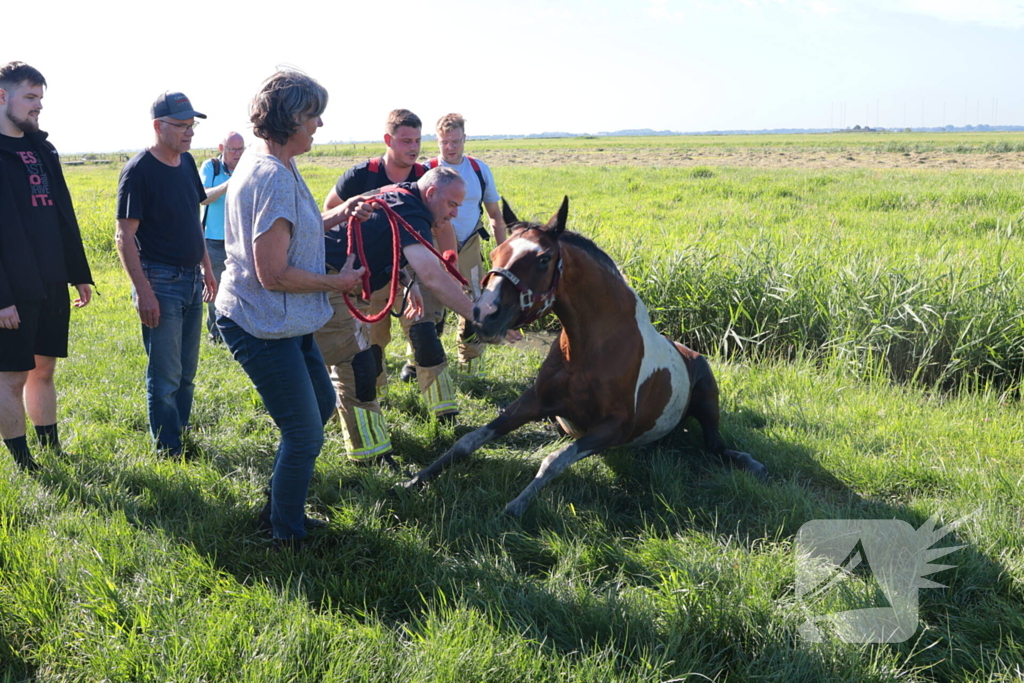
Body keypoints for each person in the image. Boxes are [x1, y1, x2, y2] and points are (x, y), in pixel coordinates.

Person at [214, 70, 367, 548]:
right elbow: (273, 273)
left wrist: (336, 215)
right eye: (313, 115)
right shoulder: (271, 175)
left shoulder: (270, 163)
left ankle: (280, 507)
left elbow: (284, 232)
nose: (319, 124)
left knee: (319, 406)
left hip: (286, 319)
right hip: (261, 323)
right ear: (290, 118)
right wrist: (337, 282)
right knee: (304, 433)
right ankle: (286, 534)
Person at [316, 166, 486, 465]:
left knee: (341, 364)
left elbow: (387, 244)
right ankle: (369, 459)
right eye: (452, 204)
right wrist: (479, 315)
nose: (455, 214)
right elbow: (433, 276)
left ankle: (327, 425)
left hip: (342, 283)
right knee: (354, 366)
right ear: (431, 193)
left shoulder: (404, 198)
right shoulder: (410, 209)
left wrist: (407, 283)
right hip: (326, 284)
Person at [323, 109, 459, 420]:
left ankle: (444, 413)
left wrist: (450, 263)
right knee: (371, 345)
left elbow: (443, 228)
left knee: (425, 334)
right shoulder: (361, 175)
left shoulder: (425, 179)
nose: (414, 148)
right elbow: (331, 214)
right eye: (406, 140)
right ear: (388, 140)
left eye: (418, 141)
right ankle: (378, 405)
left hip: (412, 271)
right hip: (367, 275)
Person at [0, 61, 93, 471]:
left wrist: (79, 273)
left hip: (52, 279)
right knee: (11, 376)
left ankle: (52, 449)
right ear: (2, 97)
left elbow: (64, 214)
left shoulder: (44, 148)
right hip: (13, 286)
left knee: (44, 369)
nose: (39, 106)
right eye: (30, 97)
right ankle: (24, 463)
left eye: (41, 98)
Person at [115, 91, 217, 456]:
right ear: (158, 126)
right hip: (159, 281)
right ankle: (167, 448)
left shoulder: (187, 163)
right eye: (181, 125)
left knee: (187, 370)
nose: (189, 133)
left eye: (192, 125)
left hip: (191, 279)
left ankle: (180, 431)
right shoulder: (139, 170)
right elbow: (124, 236)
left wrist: (207, 268)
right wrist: (143, 291)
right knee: (165, 374)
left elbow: (194, 219)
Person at [425, 113, 507, 378]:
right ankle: (422, 363)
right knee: (431, 307)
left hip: (470, 244)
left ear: (464, 139)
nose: (450, 147)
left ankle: (470, 365)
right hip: (436, 245)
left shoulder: (479, 170)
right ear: (437, 141)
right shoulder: (426, 171)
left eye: (455, 141)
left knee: (474, 301)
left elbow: (495, 215)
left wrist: (503, 257)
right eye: (444, 142)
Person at [199, 131, 244, 343]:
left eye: (240, 149)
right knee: (214, 288)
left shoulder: (248, 167)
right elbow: (203, 198)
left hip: (241, 240)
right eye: (232, 149)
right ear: (221, 148)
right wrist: (230, 183)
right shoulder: (211, 167)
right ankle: (216, 335)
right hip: (214, 241)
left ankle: (240, 333)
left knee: (242, 287)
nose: (237, 154)